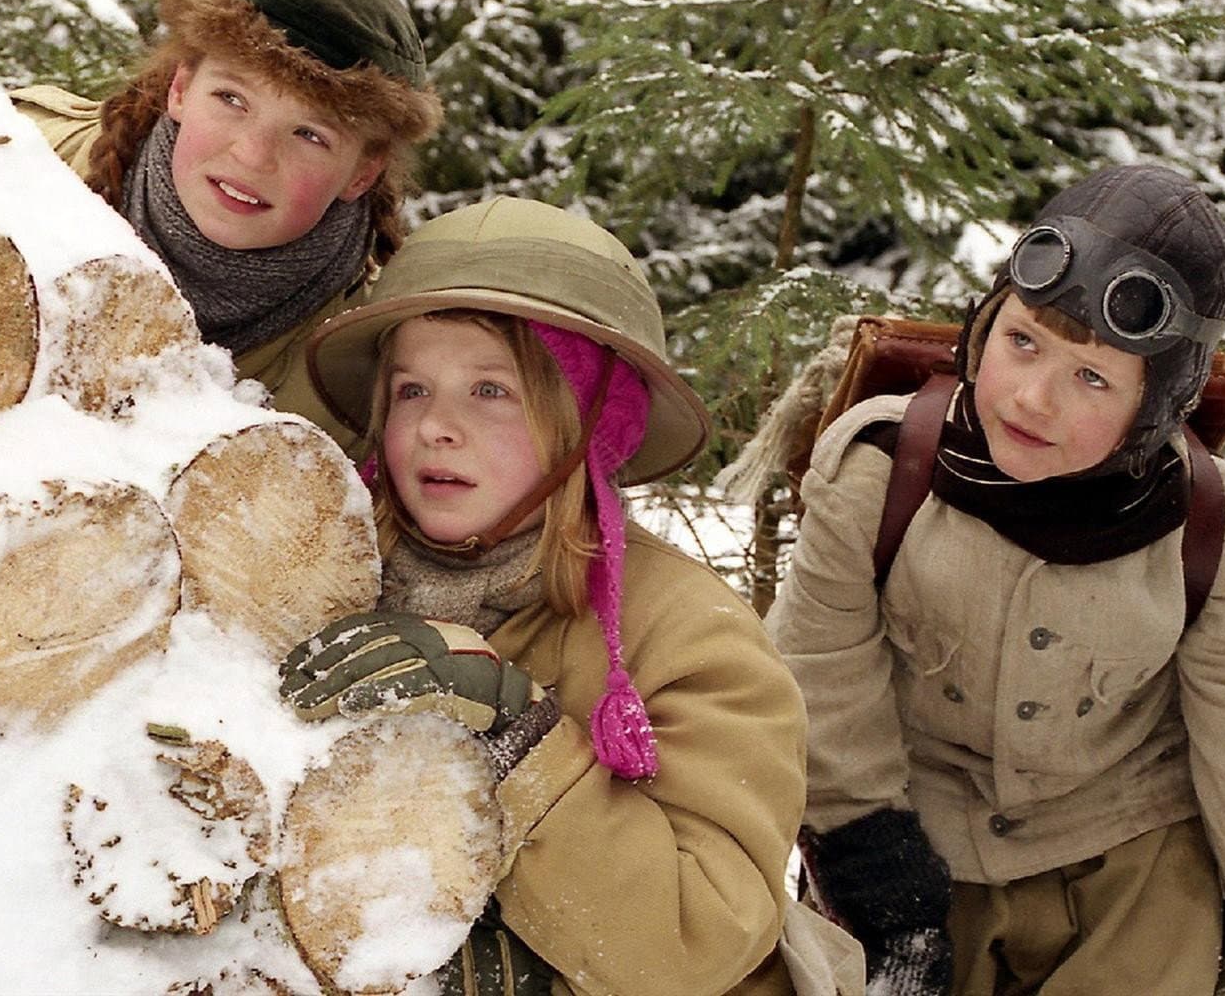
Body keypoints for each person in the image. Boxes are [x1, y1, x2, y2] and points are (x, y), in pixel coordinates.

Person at [768, 165, 1225, 996]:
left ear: (1154, 408)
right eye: (1023, 342)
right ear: (984, 327)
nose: (1034, 398)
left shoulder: (1212, 521)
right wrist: (873, 866)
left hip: (1131, 849)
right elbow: (819, 674)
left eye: (1094, 378)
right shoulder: (878, 471)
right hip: (926, 838)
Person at [281, 196, 859, 994]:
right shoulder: (314, 572)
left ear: (591, 424)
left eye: (492, 391)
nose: (437, 427)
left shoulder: (694, 637)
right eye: (412, 390)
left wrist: (518, 737)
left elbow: (696, 943)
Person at [11, 0, 440, 446]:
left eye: (310, 135)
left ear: (362, 174)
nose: (253, 155)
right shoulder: (9, 160)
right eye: (232, 98)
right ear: (181, 88)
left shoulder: (352, 381)